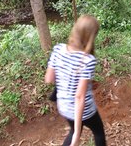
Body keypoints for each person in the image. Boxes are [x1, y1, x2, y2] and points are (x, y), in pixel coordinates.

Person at [45, 15, 106, 146]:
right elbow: (79, 97)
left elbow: (49, 79)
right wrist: (78, 134)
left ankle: (74, 133)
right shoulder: (87, 60)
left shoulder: (58, 49)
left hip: (64, 106)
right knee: (98, 132)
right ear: (91, 37)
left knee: (72, 131)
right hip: (84, 109)